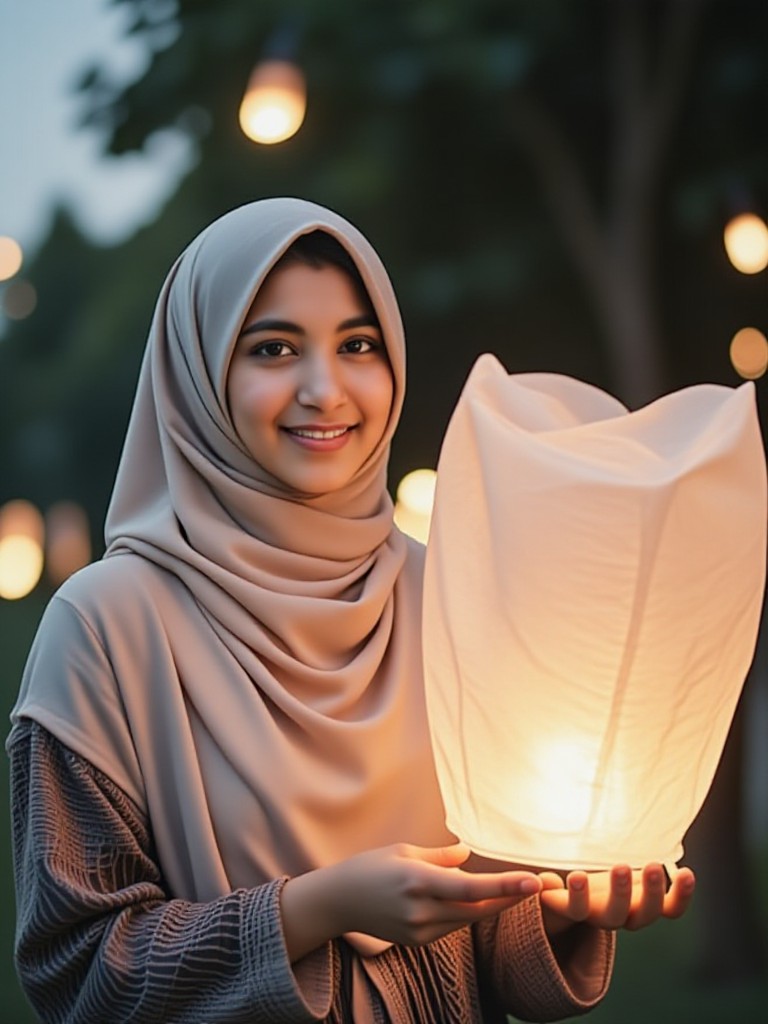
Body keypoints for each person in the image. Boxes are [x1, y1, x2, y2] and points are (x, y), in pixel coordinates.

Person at [7, 198, 694, 1024]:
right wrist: (317, 909)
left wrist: (561, 902)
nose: (325, 389)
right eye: (273, 348)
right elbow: (79, 975)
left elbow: (492, 936)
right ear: (197, 374)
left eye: (358, 345)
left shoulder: (448, 596)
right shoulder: (106, 626)